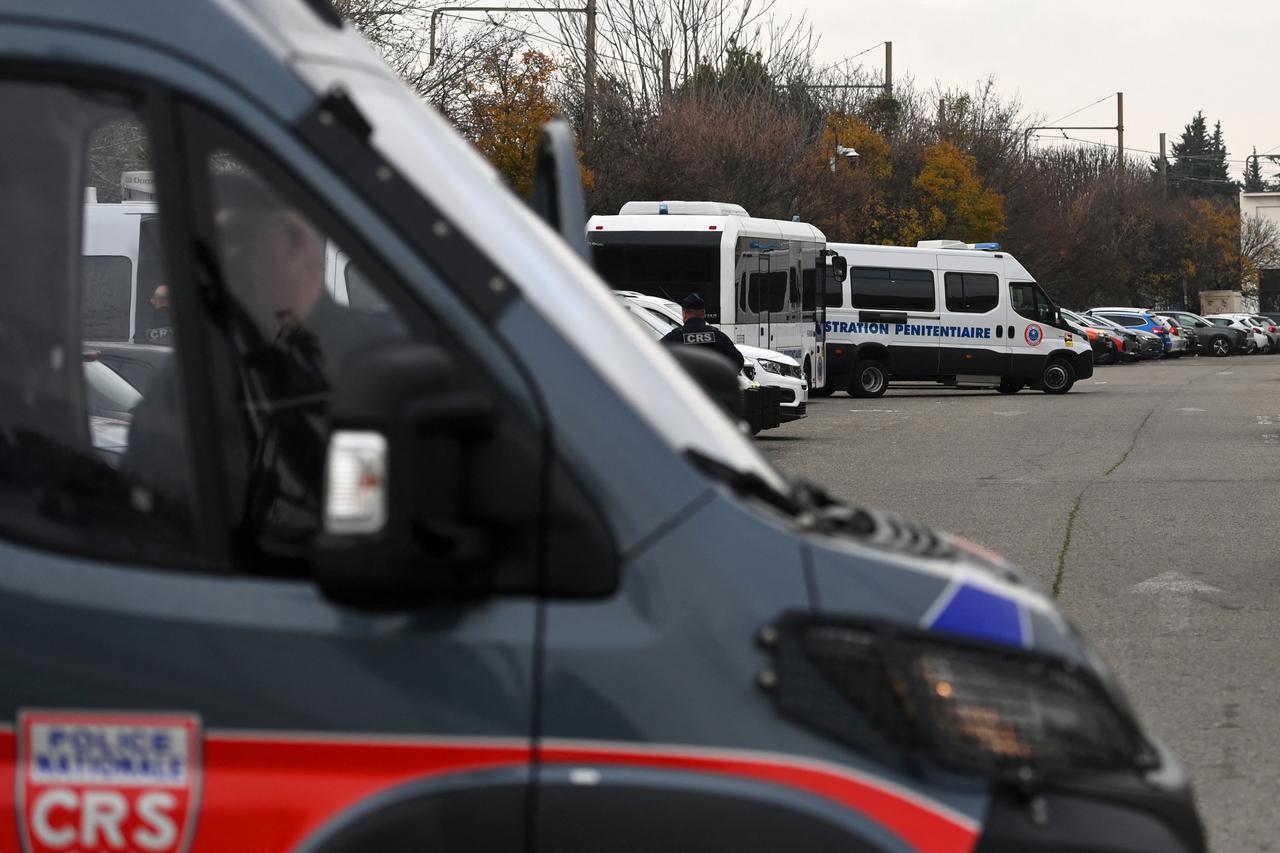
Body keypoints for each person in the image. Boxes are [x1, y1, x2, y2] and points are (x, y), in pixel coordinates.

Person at [122, 167, 401, 566]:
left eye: (238, 242)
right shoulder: (192, 378)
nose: (223, 267)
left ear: (297, 243)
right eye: (203, 253)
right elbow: (148, 507)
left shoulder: (377, 359)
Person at [659, 293, 744, 372]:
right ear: (704, 313)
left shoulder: (676, 336)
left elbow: (653, 356)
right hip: (711, 387)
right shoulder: (718, 336)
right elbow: (738, 361)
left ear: (684, 314)